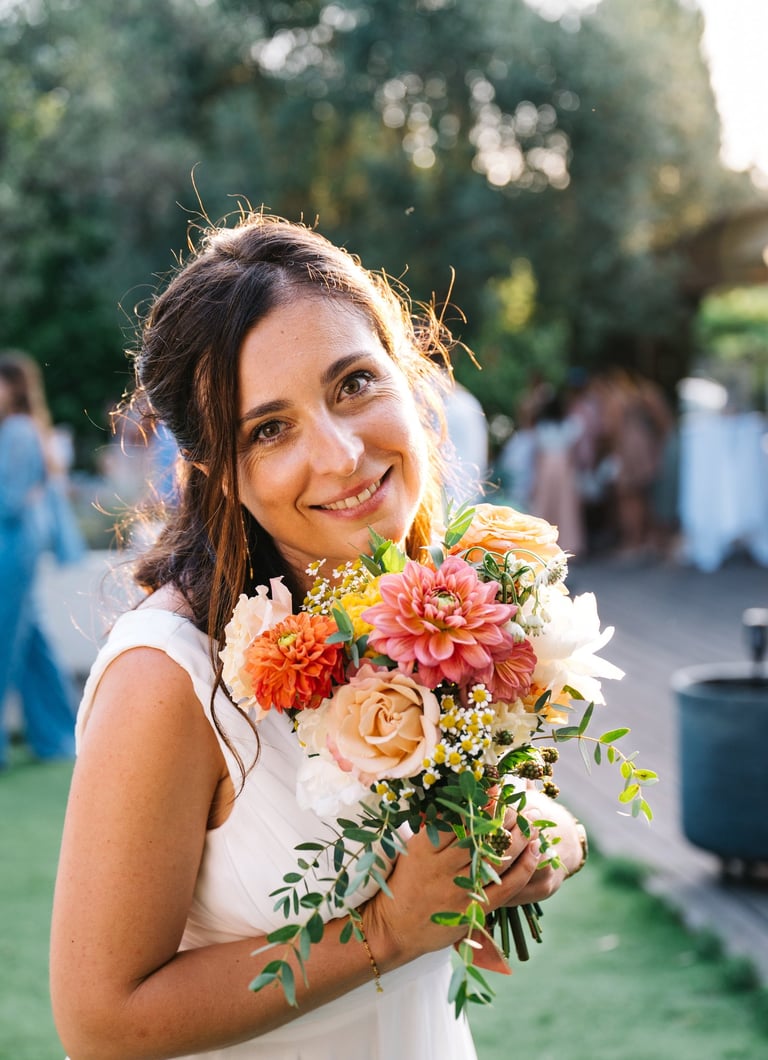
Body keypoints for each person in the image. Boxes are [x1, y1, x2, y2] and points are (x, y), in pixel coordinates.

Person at [50, 213, 587, 1060]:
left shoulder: (436, 606)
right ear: (220, 472)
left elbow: (481, 828)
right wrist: (386, 931)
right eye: (270, 429)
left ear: (410, 379)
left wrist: (531, 836)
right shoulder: (167, 678)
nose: (340, 455)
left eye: (354, 384)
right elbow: (101, 1022)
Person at [0, 352, 79, 766]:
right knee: (29, 644)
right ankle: (57, 737)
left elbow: (10, 501)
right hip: (16, 544)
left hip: (11, 548)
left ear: (13, 387)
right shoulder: (21, 430)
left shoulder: (17, 431)